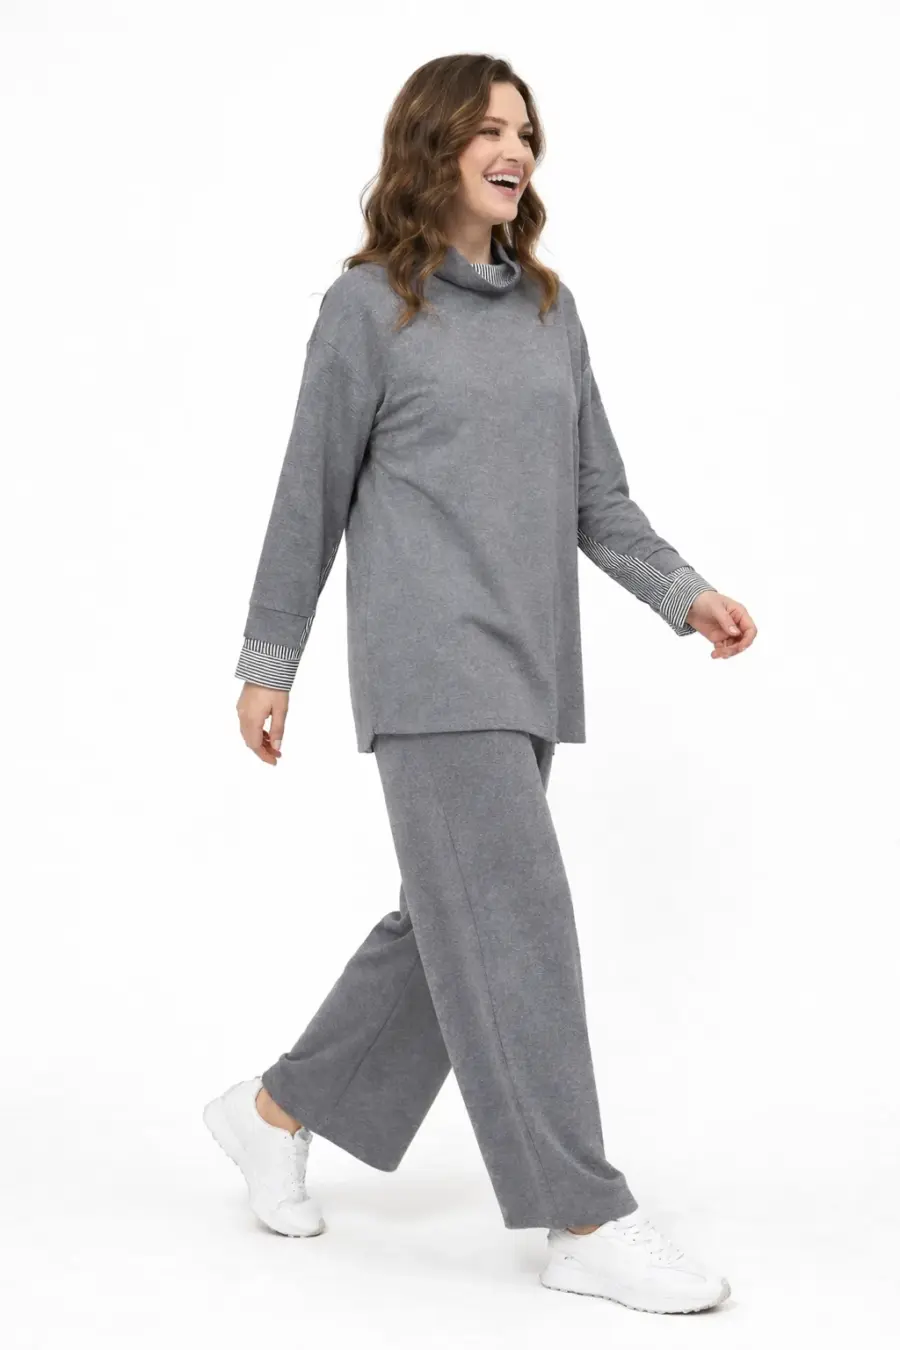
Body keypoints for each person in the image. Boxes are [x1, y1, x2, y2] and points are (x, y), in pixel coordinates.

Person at [203, 54, 757, 1315]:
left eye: (525, 132)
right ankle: (582, 1215)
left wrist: (684, 592)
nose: (514, 150)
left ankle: (273, 1109)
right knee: (513, 923)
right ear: (433, 147)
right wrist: (269, 660)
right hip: (427, 665)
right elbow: (308, 492)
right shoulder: (368, 309)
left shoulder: (553, 310)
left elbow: (598, 499)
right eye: (488, 130)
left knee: (449, 925)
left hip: (527, 666)